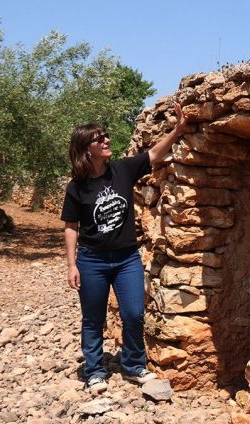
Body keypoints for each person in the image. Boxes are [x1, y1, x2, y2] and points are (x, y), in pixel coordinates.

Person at [61, 101, 187, 393]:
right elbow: (71, 227)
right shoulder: (76, 187)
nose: (107, 140)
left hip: (127, 257)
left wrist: (178, 129)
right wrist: (71, 265)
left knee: (133, 313)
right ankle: (94, 370)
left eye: (106, 136)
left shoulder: (123, 170)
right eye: (99, 138)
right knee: (93, 318)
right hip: (91, 260)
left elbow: (155, 153)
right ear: (86, 148)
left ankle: (133, 365)